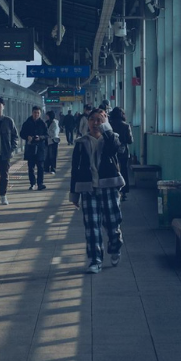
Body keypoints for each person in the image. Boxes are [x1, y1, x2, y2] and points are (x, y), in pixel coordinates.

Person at [70, 108, 126, 274]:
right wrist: (74, 194)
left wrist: (107, 128)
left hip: (109, 187)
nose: (95, 123)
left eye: (99, 120)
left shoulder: (112, 138)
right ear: (87, 122)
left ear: (105, 121)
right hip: (89, 190)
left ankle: (115, 248)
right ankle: (95, 260)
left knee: (112, 224)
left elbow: (114, 149)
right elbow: (75, 170)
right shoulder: (81, 143)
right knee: (92, 226)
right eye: (92, 119)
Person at [108, 107, 134, 200]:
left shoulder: (109, 125)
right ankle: (124, 192)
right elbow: (130, 140)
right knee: (124, 171)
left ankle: (113, 190)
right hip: (123, 152)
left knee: (112, 171)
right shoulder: (126, 126)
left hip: (111, 151)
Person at [20, 106, 48, 190]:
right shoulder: (27, 123)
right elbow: (21, 133)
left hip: (40, 148)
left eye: (38, 113)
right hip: (30, 147)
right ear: (32, 113)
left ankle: (40, 184)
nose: (36, 114)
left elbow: (47, 135)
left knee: (40, 167)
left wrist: (40, 137)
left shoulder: (43, 123)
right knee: (31, 167)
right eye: (35, 113)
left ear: (40, 114)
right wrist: (27, 136)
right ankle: (32, 183)